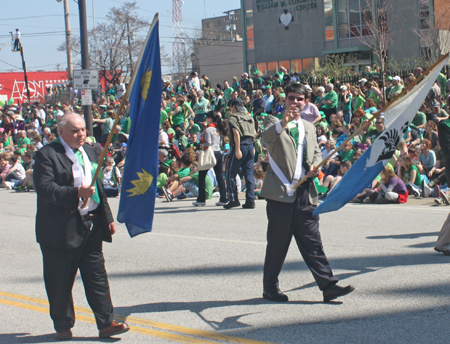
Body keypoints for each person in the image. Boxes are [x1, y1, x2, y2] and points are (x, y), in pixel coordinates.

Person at [33, 113, 129, 340]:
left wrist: (106, 216)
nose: (81, 134)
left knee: (97, 276)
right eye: (75, 131)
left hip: (91, 223)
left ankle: (106, 323)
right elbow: (45, 189)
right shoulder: (47, 154)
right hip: (60, 228)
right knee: (60, 280)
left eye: (83, 130)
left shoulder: (89, 150)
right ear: (61, 132)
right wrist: (75, 193)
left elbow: (97, 185)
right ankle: (63, 325)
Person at [260, 83, 354, 303]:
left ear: (306, 102)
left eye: (299, 99)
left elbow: (315, 154)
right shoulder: (273, 122)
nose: (295, 102)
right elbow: (266, 138)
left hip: (305, 193)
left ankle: (328, 286)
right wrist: (284, 122)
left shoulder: (309, 127)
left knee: (313, 242)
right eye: (291, 98)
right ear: (285, 100)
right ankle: (270, 288)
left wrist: (315, 167)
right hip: (281, 194)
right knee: (278, 244)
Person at [224, 98, 256, 209]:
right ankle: (250, 200)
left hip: (240, 145)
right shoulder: (249, 116)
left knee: (230, 172)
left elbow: (236, 133)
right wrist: (253, 146)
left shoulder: (233, 117)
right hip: (250, 145)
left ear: (233, 106)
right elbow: (254, 133)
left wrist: (237, 149)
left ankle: (233, 199)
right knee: (249, 174)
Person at [193, 111, 227, 206]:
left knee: (201, 176)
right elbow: (220, 143)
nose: (205, 120)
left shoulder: (208, 130)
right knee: (219, 176)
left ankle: (201, 199)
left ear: (210, 118)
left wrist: (201, 145)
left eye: (207, 118)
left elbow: (208, 143)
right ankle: (223, 198)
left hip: (210, 153)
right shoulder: (218, 128)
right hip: (218, 153)